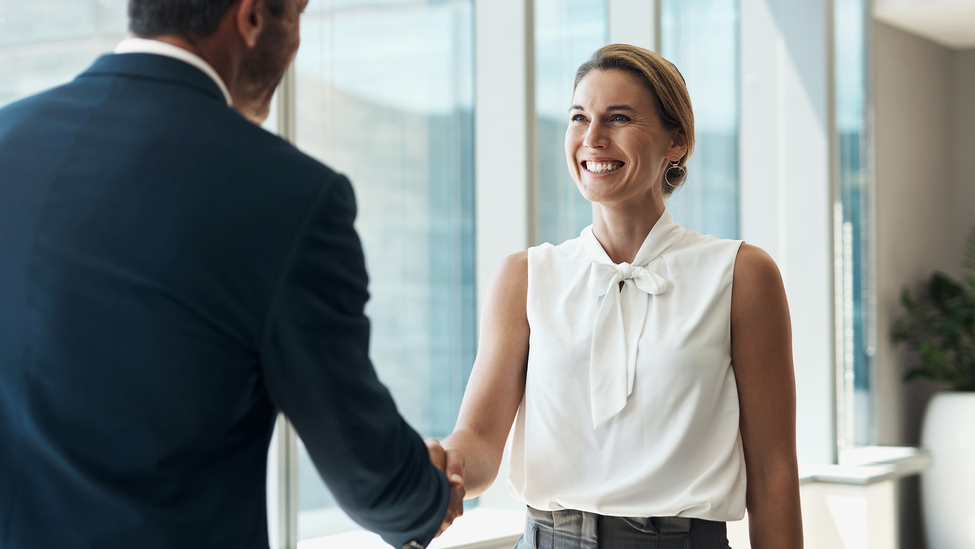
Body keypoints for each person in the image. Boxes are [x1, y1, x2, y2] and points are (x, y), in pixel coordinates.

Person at [0, 0, 462, 547]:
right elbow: (370, 477)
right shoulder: (289, 196)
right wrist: (428, 497)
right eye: (296, 16)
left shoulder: (9, 136)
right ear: (251, 18)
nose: (295, 43)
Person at [429, 44, 803, 548]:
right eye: (579, 117)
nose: (592, 138)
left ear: (677, 141)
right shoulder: (525, 277)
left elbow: (773, 471)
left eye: (619, 118)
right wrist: (443, 469)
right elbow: (478, 441)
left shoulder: (741, 275)